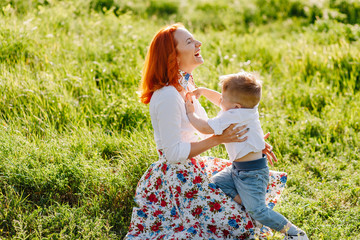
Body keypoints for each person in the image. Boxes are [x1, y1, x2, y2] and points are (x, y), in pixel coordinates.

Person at [125, 23, 287, 239]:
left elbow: (206, 127)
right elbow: (172, 154)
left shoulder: (185, 86)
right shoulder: (167, 96)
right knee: (237, 226)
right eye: (189, 42)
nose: (198, 43)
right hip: (175, 178)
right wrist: (220, 139)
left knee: (245, 205)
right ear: (174, 56)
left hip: (193, 167)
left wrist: (250, 141)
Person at [184, 71, 308, 240]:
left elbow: (205, 128)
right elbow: (223, 101)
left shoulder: (231, 115)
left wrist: (191, 114)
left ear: (236, 106)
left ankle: (294, 233)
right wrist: (204, 91)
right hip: (238, 170)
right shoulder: (248, 108)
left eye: (223, 99)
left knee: (258, 211)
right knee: (217, 182)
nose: (220, 100)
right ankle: (249, 204)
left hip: (252, 174)